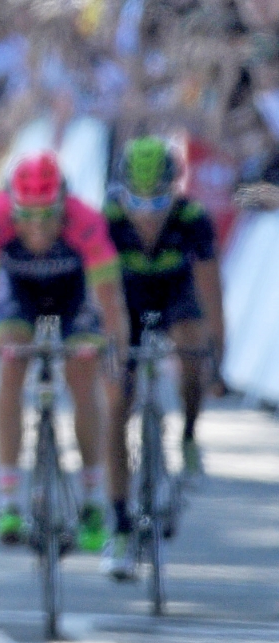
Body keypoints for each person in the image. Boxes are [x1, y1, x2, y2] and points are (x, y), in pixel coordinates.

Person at [0, 151, 127, 551]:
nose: (37, 228)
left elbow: (109, 300)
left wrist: (114, 354)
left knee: (83, 377)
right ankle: (8, 501)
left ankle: (91, 501)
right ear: (11, 208)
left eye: (48, 216)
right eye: (27, 217)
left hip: (73, 299)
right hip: (20, 298)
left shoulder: (86, 221)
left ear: (63, 207)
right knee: (10, 363)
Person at [100, 137, 225, 579]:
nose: (148, 212)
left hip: (177, 297)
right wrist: (107, 349)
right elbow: (99, 293)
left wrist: (216, 359)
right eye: (137, 199)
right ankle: (119, 524)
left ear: (175, 190)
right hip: (124, 304)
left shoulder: (192, 220)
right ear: (121, 193)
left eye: (159, 199)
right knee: (116, 405)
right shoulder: (108, 222)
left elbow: (211, 293)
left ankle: (189, 433)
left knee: (194, 353)